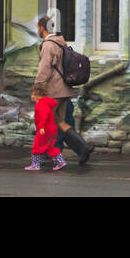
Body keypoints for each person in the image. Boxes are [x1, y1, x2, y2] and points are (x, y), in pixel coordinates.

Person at [34, 15, 92, 164]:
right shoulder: (61, 42)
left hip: (53, 91)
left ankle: (50, 153)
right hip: (64, 90)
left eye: (38, 28)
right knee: (60, 121)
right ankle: (83, 147)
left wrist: (37, 89)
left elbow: (44, 69)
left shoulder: (48, 45)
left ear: (42, 28)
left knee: (47, 122)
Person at [26, 82, 66, 171]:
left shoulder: (41, 104)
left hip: (45, 130)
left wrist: (41, 127)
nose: (32, 96)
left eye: (33, 94)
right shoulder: (47, 102)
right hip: (52, 129)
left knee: (36, 146)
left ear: (38, 94)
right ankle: (60, 161)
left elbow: (43, 116)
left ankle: (35, 165)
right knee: (49, 147)